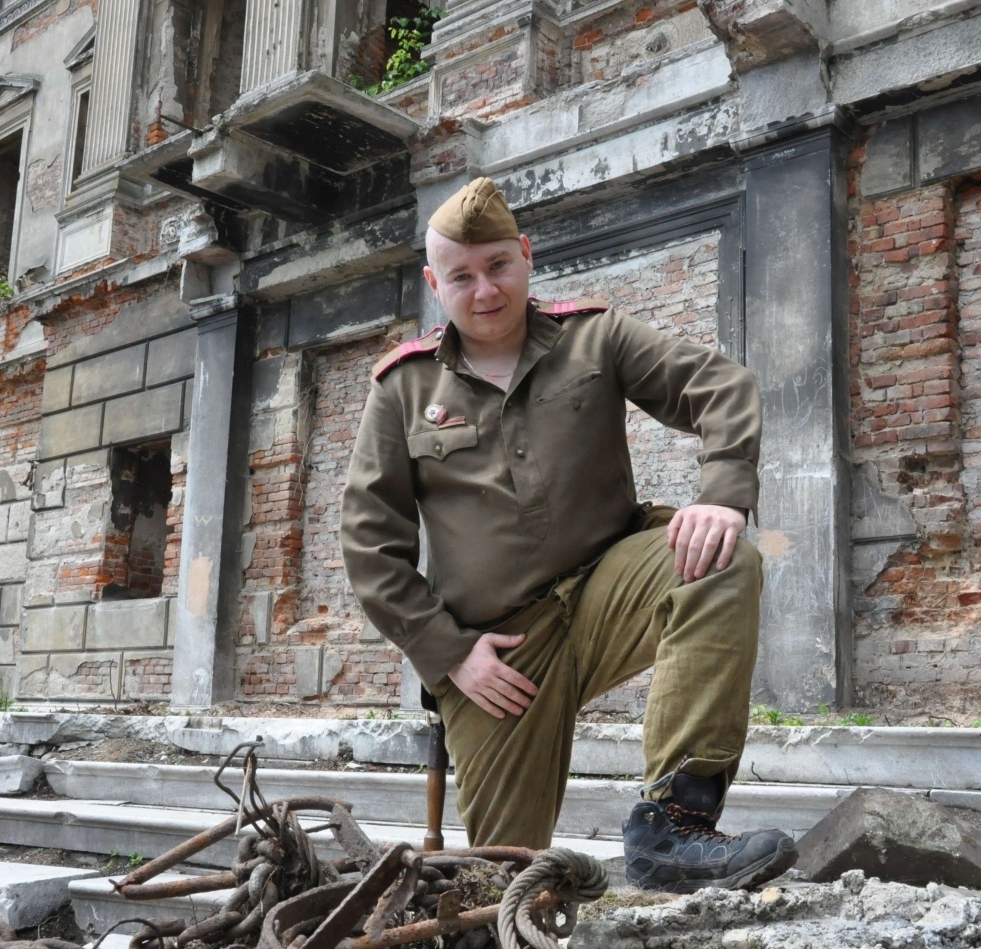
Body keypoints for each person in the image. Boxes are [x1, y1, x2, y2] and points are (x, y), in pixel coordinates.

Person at [339, 177, 796, 892]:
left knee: (721, 557)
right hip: (499, 657)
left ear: (525, 254)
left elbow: (720, 386)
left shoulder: (596, 337)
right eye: (461, 276)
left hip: (608, 585)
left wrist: (724, 494)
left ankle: (674, 827)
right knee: (502, 884)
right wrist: (450, 654)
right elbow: (370, 543)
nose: (484, 289)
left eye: (498, 265)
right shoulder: (403, 388)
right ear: (435, 283)